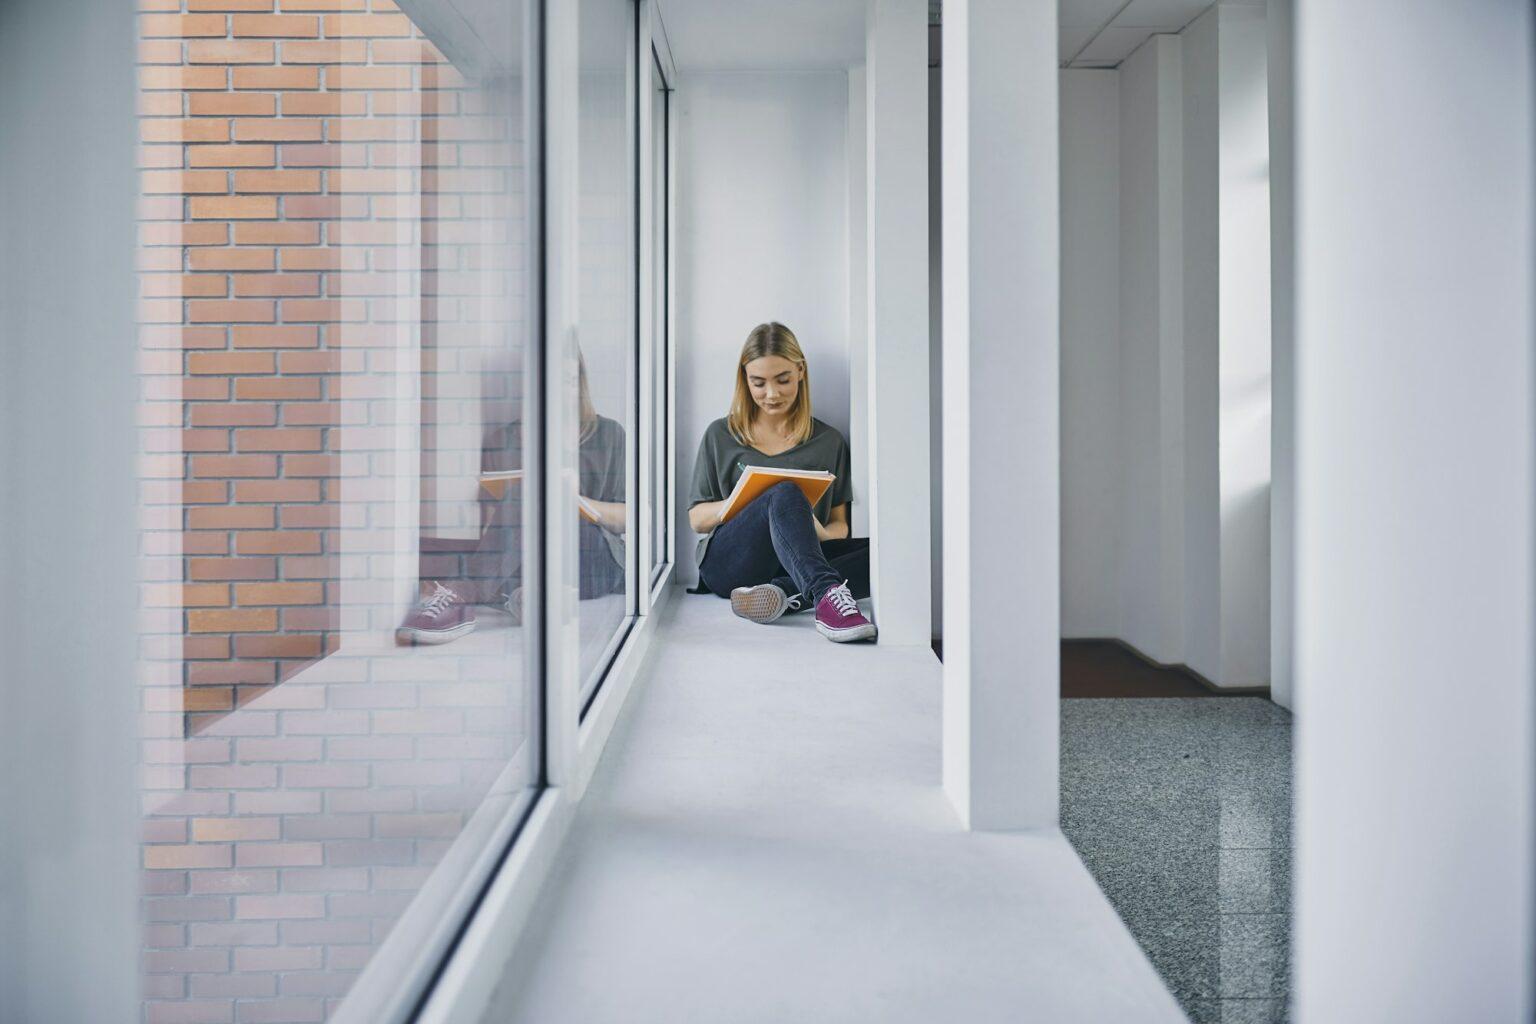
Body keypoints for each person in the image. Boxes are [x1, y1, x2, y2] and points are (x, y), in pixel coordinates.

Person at [396, 352, 626, 645]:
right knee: (527, 493)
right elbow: (495, 529)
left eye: (568, 381)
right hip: (527, 557)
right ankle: (527, 596)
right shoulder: (504, 440)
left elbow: (626, 518)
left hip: (591, 556)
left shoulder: (609, 434)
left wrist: (573, 500)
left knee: (539, 494)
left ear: (580, 384)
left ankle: (461, 596)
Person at [688, 322, 875, 643]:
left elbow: (840, 528)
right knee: (785, 491)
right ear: (744, 380)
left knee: (886, 551)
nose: (771, 394)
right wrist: (754, 500)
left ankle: (783, 593)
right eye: (758, 383)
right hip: (730, 564)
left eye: (783, 379)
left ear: (800, 372)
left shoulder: (828, 441)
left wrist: (807, 524)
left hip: (795, 563)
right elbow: (697, 520)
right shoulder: (720, 435)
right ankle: (826, 597)